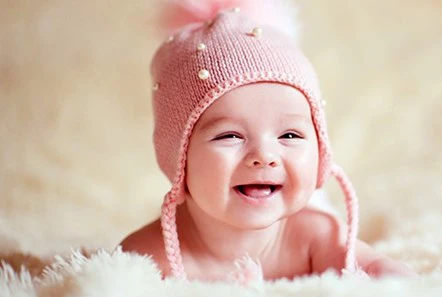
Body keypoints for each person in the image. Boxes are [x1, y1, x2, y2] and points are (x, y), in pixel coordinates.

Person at [119, 0, 416, 283]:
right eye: (230, 136)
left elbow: (381, 272)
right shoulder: (151, 256)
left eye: (290, 135)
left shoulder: (317, 234)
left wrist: (389, 276)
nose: (264, 156)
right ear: (178, 156)